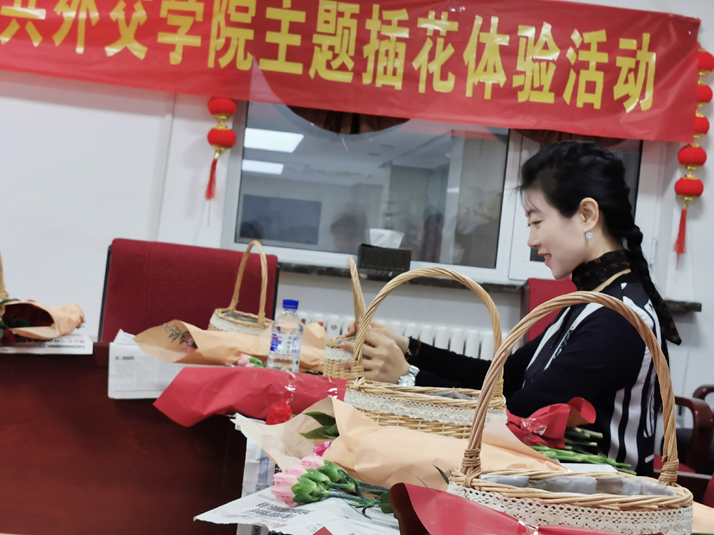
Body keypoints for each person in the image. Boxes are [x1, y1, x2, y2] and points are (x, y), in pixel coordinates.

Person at [340, 141, 681, 476]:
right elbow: (505, 378)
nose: (532, 240)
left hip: (596, 500)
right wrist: (409, 349)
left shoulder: (618, 319)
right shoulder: (593, 300)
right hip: (553, 482)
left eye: (537, 222)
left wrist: (407, 378)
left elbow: (516, 415)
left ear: (587, 215)